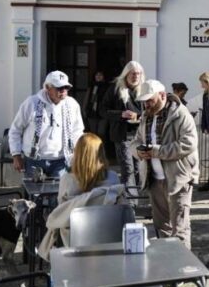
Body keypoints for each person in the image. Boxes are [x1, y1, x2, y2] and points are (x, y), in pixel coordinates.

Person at [130, 80, 199, 248]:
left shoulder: (181, 113)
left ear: (162, 95)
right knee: (162, 227)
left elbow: (188, 144)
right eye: (144, 101)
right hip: (154, 179)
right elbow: (135, 141)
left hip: (179, 178)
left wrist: (156, 151)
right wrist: (138, 151)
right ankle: (167, 265)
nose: (146, 104)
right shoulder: (146, 115)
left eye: (150, 100)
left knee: (180, 229)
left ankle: (183, 270)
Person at [9, 70, 85, 178]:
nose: (63, 91)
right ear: (48, 88)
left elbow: (77, 132)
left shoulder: (72, 105)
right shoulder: (31, 103)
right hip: (34, 161)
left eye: (66, 87)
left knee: (59, 194)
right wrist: (16, 155)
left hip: (62, 162)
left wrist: (77, 155)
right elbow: (15, 130)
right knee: (34, 194)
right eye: (59, 88)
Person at [100, 61, 144, 192]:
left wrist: (142, 116)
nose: (136, 76)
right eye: (133, 73)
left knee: (138, 168)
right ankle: (130, 201)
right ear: (126, 74)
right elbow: (102, 110)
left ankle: (137, 198)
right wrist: (121, 114)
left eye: (138, 73)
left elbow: (150, 109)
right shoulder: (116, 88)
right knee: (127, 168)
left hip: (139, 134)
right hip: (121, 134)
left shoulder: (143, 89)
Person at [58, 133, 119, 204]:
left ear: (77, 153)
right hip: (106, 215)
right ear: (101, 153)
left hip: (76, 214)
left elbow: (61, 206)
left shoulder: (66, 179)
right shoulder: (113, 177)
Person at [82, 71, 107, 135]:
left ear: (103, 77)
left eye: (100, 75)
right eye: (97, 75)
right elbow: (87, 99)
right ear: (94, 76)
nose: (98, 76)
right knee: (93, 133)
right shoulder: (91, 86)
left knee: (101, 133)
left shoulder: (107, 87)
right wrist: (84, 110)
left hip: (103, 113)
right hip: (92, 112)